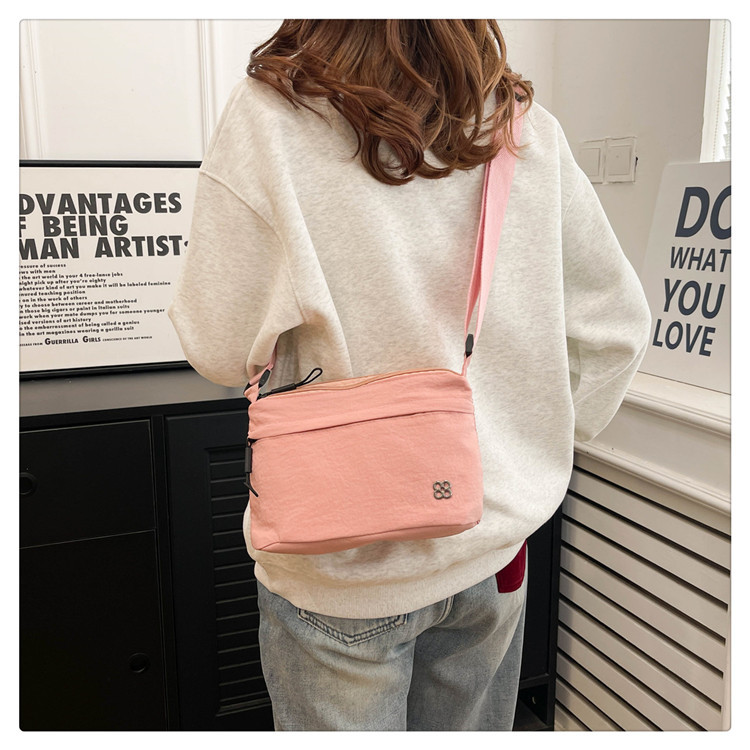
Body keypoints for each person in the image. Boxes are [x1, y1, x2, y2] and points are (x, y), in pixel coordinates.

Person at [168, 20, 652, 731]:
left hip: (340, 563)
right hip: (493, 547)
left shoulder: (273, 116)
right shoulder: (525, 131)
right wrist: (524, 446)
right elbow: (617, 330)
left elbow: (217, 344)